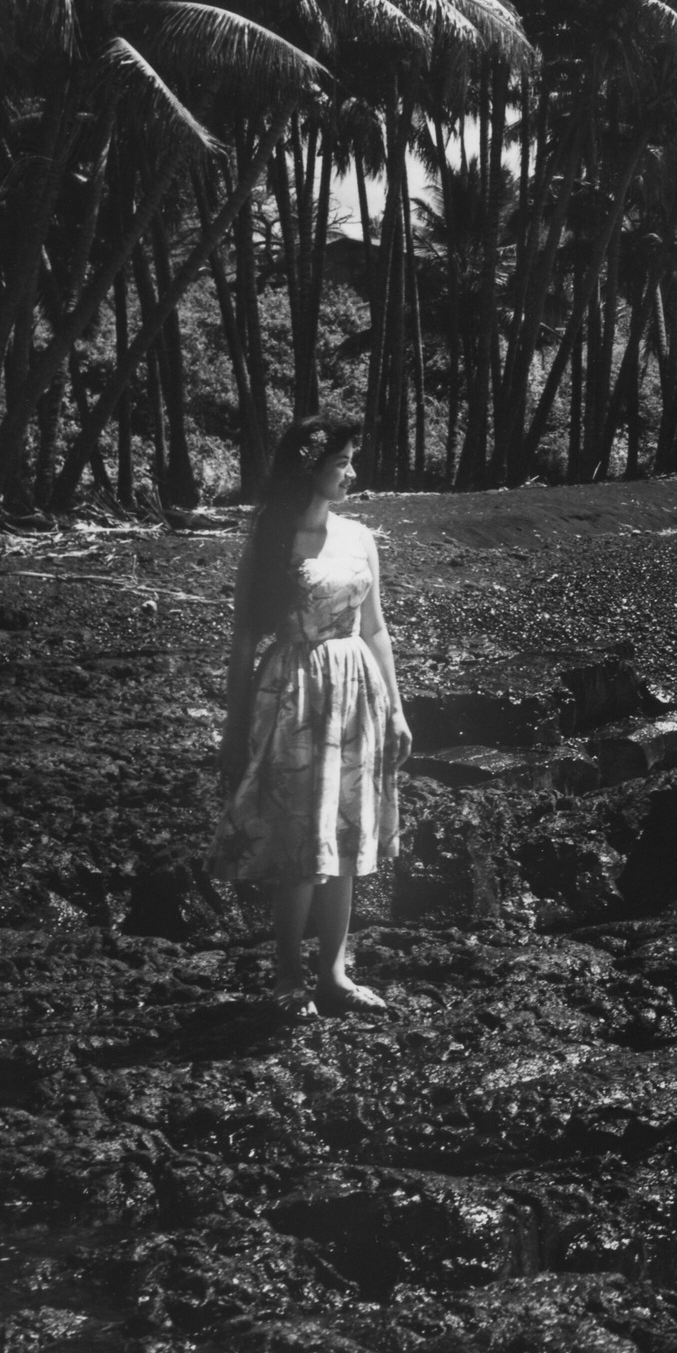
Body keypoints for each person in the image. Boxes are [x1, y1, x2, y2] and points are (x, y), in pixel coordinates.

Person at [211, 415, 411, 1016]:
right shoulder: (271, 540)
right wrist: (235, 725)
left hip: (357, 692)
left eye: (351, 460)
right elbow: (244, 640)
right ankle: (286, 977)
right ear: (310, 470)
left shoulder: (360, 538)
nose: (352, 473)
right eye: (341, 462)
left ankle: (335, 974)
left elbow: (375, 627)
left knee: (346, 835)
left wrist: (397, 710)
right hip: (294, 691)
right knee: (301, 839)